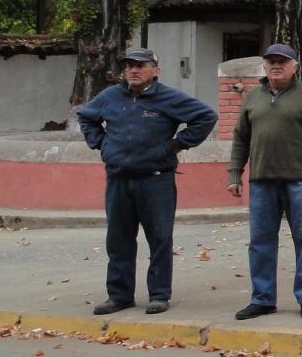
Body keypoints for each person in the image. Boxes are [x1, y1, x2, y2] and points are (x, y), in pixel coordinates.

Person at [77, 48, 218, 315]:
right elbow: (86, 116)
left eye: (141, 65)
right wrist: (101, 143)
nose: (134, 70)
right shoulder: (111, 96)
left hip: (156, 181)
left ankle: (159, 294)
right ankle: (119, 295)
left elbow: (206, 116)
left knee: (160, 238)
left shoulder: (168, 98)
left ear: (155, 70)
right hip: (118, 179)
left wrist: (176, 145)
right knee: (118, 240)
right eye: (129, 65)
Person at [227, 43, 302, 321]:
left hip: (300, 182)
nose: (276, 65)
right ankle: (262, 299)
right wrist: (235, 173)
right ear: (264, 65)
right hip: (261, 182)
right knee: (260, 242)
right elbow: (240, 138)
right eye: (271, 61)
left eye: (282, 61)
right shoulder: (252, 98)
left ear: (295, 66)